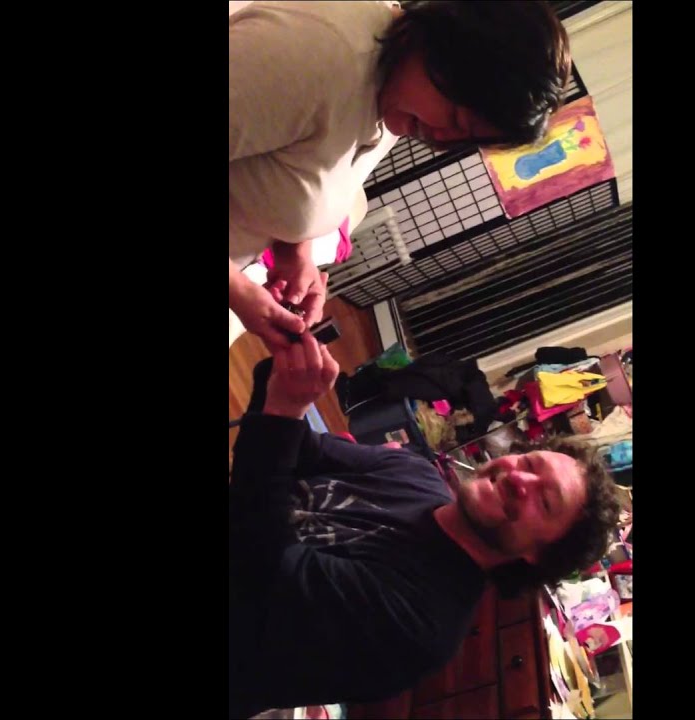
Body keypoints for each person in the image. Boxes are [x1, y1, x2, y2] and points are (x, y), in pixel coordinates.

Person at [228, 333, 621, 718]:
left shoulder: (420, 625)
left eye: (546, 500)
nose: (519, 479)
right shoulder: (413, 471)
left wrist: (283, 407)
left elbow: (257, 558)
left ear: (539, 556)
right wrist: (288, 352)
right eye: (529, 463)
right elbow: (290, 442)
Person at [229, 0, 572, 350]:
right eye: (456, 119)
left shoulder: (395, 90)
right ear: (444, 46)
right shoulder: (320, 58)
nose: (442, 139)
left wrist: (295, 253)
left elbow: (289, 170)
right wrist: (236, 290)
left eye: (466, 139)